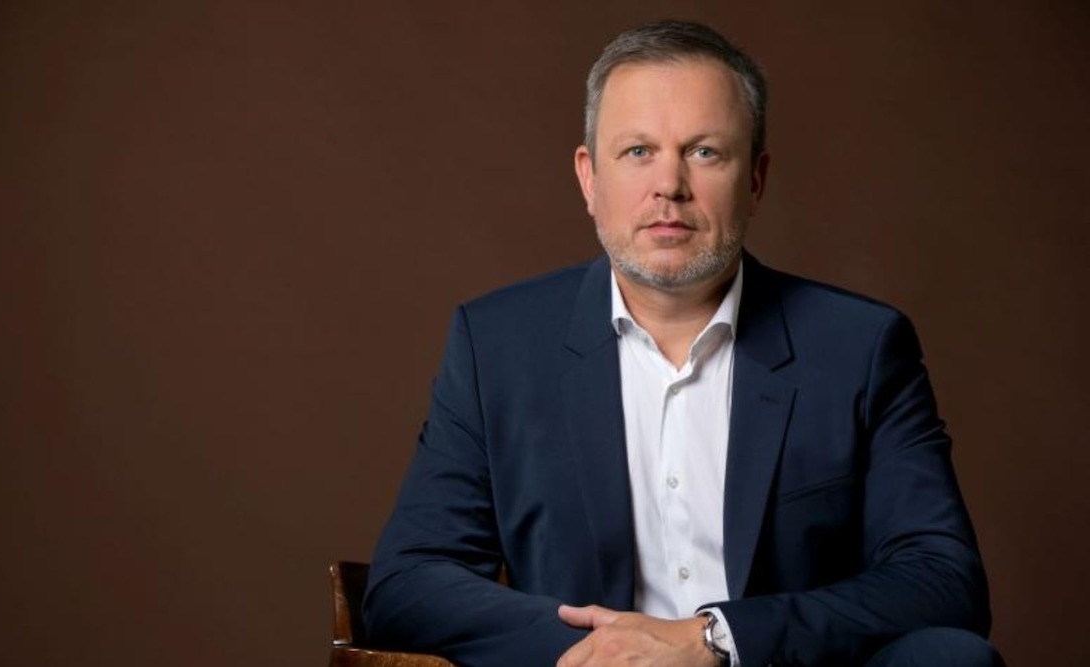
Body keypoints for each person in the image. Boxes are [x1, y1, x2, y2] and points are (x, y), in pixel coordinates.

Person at [364, 20, 1002, 667]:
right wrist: (607, 654)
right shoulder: (497, 345)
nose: (669, 184)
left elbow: (942, 578)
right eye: (638, 151)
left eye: (703, 152)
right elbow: (407, 583)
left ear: (755, 180)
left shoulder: (860, 347)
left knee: (953, 657)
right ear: (589, 178)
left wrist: (715, 639)